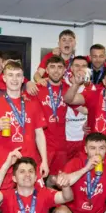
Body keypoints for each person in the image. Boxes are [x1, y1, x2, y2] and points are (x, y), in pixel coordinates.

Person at [0, 60, 49, 192]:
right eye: (10, 75)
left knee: (37, 204)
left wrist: (44, 161)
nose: (14, 79)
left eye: (18, 75)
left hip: (30, 164)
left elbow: (39, 134)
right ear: (4, 78)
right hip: (3, 164)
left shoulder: (33, 104)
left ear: (23, 79)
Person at [34, 55, 71, 186]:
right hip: (42, 144)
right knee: (37, 181)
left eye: (60, 67)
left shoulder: (69, 89)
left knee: (56, 182)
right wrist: (28, 84)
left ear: (64, 70)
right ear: (47, 70)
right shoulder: (38, 87)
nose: (56, 70)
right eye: (52, 67)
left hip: (61, 145)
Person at [64, 56, 92, 161]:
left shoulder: (91, 87)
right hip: (65, 138)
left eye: (84, 66)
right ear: (71, 68)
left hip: (83, 138)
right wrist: (85, 110)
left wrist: (89, 115)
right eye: (77, 65)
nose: (80, 69)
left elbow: (95, 108)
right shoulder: (62, 84)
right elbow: (68, 99)